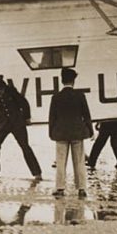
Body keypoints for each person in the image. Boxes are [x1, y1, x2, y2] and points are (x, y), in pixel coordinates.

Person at [0, 75, 42, 181]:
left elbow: (24, 103)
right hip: (3, 125)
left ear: (3, 87)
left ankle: (37, 173)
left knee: (25, 146)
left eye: (1, 90)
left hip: (17, 123)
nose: (0, 92)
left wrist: (26, 118)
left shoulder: (12, 91)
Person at [47, 68, 93, 197]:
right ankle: (82, 188)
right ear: (73, 81)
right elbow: (86, 115)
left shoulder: (56, 97)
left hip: (60, 133)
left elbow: (52, 117)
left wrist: (51, 132)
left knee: (60, 161)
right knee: (79, 161)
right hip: (78, 133)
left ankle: (60, 188)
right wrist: (90, 130)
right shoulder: (80, 96)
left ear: (62, 81)